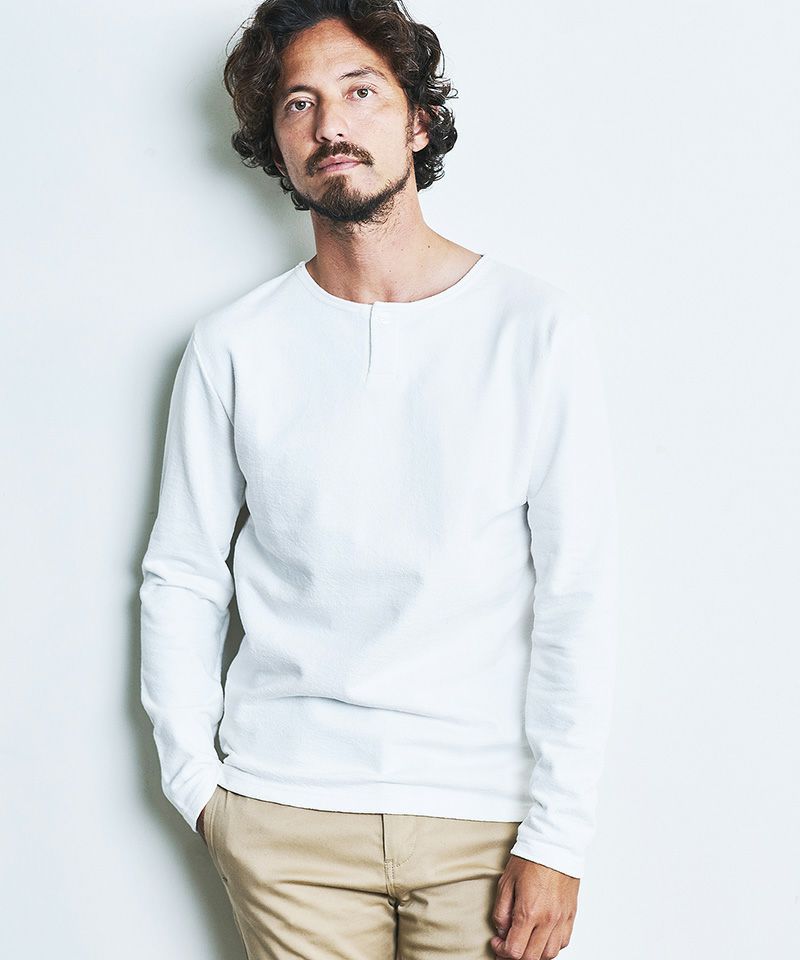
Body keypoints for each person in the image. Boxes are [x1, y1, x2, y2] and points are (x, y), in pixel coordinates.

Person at [139, 2, 620, 958]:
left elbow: (580, 590)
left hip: (483, 820)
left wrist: (559, 836)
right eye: (299, 103)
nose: (331, 125)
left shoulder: (534, 328)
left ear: (418, 121)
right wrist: (197, 788)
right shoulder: (234, 346)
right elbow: (182, 574)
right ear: (277, 145)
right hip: (286, 817)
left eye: (360, 92)